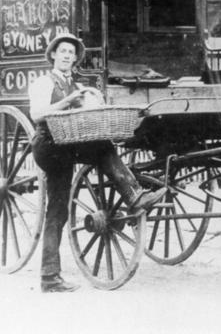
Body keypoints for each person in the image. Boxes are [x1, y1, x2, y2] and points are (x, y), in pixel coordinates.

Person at [29, 33, 164, 293]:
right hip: (50, 146)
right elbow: (36, 114)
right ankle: (49, 277)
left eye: (71, 52)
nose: (67, 55)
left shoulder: (77, 84)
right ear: (53, 55)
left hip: (70, 141)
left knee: (103, 145)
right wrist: (68, 101)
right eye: (63, 51)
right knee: (57, 209)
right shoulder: (43, 83)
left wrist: (89, 100)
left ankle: (135, 196)